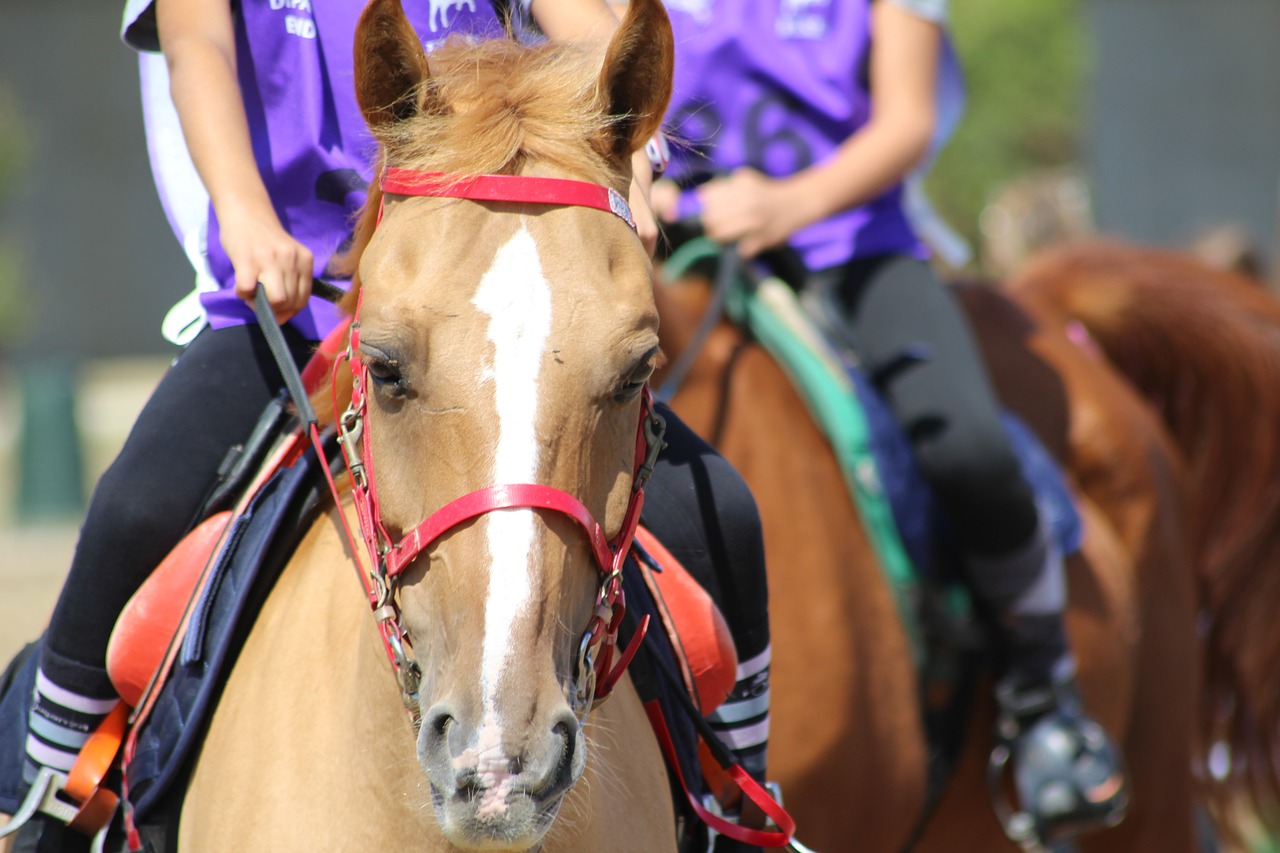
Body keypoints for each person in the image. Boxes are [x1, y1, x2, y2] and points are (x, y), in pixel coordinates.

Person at [15, 0, 771, 849]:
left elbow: (595, 33)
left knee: (721, 516)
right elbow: (196, 48)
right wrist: (245, 213)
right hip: (290, 301)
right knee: (137, 505)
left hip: (477, 302)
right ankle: (47, 791)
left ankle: (737, 810)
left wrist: (623, 148)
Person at [651, 0, 1127, 846]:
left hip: (848, 243)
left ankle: (1046, 702)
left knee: (971, 448)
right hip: (663, 231)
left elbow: (906, 121)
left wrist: (788, 205)